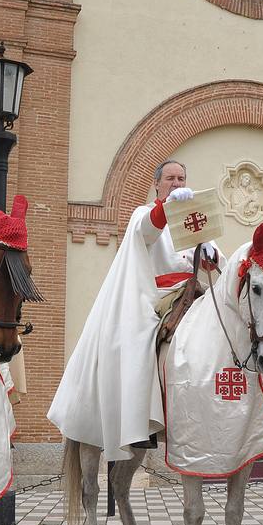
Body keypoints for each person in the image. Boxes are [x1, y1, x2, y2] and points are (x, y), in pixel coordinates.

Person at [48, 159, 220, 459]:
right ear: (157, 184)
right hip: (157, 295)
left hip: (196, 291)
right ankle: (141, 419)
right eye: (170, 179)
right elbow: (146, 232)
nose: (177, 183)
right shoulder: (144, 213)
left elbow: (211, 263)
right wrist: (165, 208)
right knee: (141, 342)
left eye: (182, 178)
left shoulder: (195, 216)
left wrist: (210, 252)